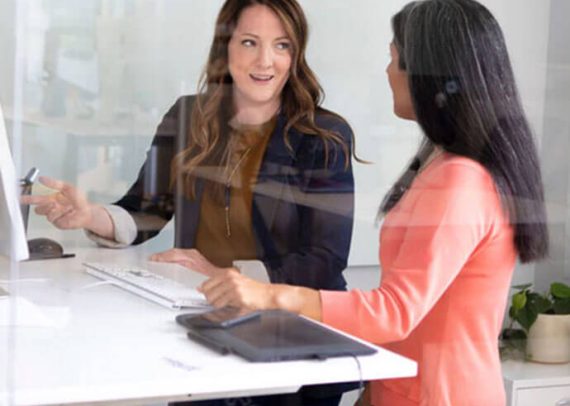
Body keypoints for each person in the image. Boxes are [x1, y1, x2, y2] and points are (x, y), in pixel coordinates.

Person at [196, 0, 550, 405]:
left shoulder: (461, 179)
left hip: (441, 394)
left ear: (430, 75)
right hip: (401, 387)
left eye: (395, 59)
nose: (387, 72)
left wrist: (267, 294)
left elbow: (395, 311)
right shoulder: (441, 162)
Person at [23, 0, 357, 404]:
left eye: (282, 45)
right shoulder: (188, 116)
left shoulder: (322, 135)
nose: (266, 61)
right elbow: (146, 210)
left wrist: (225, 272)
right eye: (250, 42)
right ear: (225, 48)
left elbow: (324, 260)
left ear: (296, 53)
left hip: (291, 336)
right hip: (209, 323)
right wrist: (90, 214)